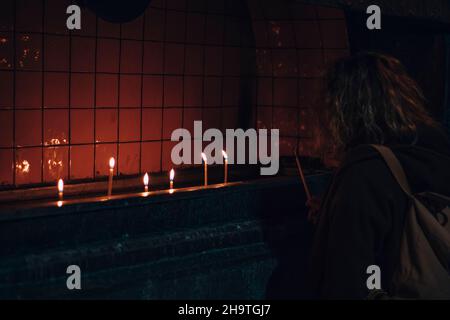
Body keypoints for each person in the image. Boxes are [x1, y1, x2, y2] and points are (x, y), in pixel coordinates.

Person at [305, 52, 450, 299]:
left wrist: (338, 218)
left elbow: (345, 282)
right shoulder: (436, 152)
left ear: (342, 110)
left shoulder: (365, 171)